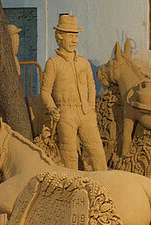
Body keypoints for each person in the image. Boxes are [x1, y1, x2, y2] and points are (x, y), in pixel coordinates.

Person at [40, 13, 108, 171]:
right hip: (65, 113)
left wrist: (90, 107)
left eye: (76, 35)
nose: (74, 40)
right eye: (70, 35)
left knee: (96, 151)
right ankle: (73, 188)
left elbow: (92, 86)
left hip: (85, 112)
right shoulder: (53, 63)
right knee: (69, 154)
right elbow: (45, 92)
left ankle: (105, 184)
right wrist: (52, 108)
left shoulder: (83, 62)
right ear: (59, 37)